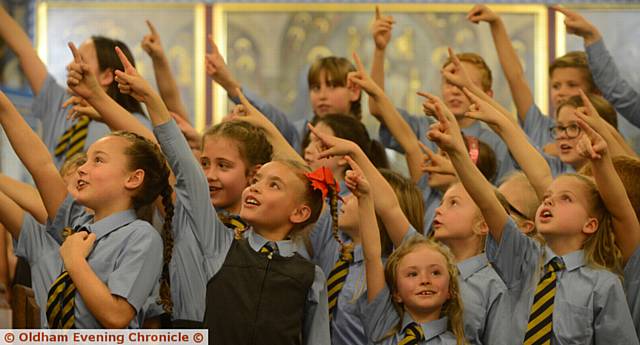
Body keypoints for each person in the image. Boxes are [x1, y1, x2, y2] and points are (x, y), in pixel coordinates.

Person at [428, 86, 638, 343]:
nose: (548, 201)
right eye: (547, 198)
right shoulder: (524, 261)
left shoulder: (603, 284)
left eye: (566, 199)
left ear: (591, 224)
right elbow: (490, 203)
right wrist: (457, 152)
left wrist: (600, 160)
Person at [0, 81, 173, 328]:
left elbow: (116, 317)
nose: (82, 168)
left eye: (98, 161)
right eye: (86, 160)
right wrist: (4, 106)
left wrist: (75, 261)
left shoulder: (141, 236)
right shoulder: (78, 225)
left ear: (133, 178)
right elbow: (42, 166)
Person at [0, 5, 150, 169]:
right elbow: (23, 50)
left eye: (80, 60)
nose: (69, 66)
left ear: (106, 76)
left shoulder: (135, 126)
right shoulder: (60, 103)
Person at [343, 157, 464, 344]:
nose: (425, 280)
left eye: (436, 272)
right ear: (396, 293)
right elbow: (372, 257)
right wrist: (365, 198)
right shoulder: (382, 326)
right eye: (412, 274)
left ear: (450, 290)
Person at [205, 37, 362, 150]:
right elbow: (270, 117)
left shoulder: (364, 143)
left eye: (332, 86)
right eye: (315, 88)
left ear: (354, 91)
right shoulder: (301, 133)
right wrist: (229, 84)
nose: (322, 95)